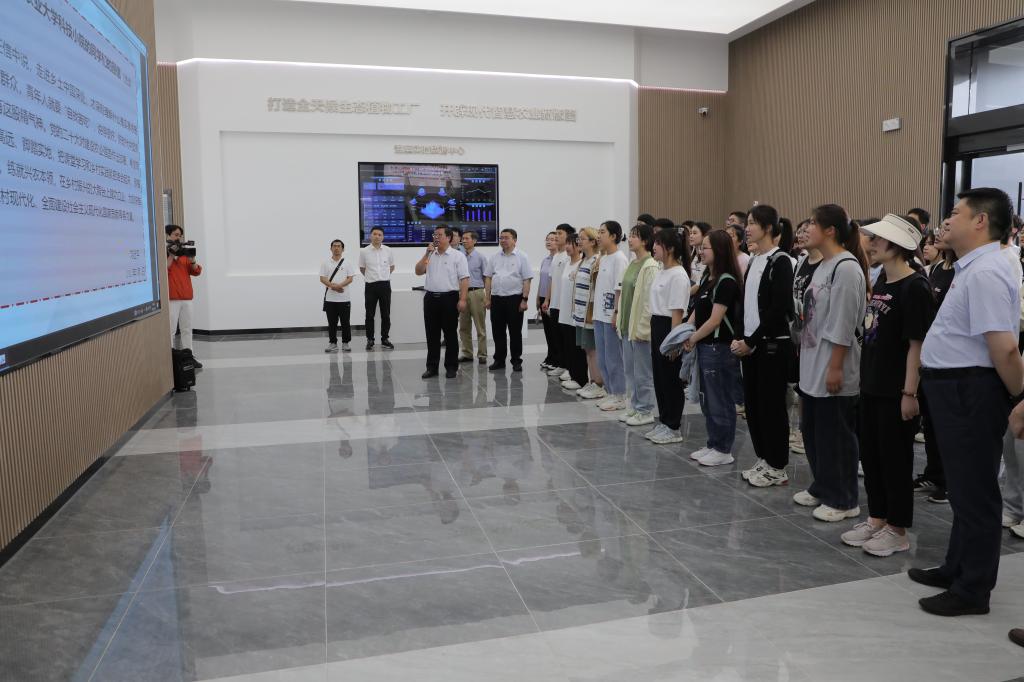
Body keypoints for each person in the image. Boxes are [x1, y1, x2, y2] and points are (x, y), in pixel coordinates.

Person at [910, 188, 1023, 617]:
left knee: (975, 493)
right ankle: (956, 567)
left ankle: (973, 589)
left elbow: (1004, 348)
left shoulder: (987, 271)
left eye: (956, 212)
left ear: (980, 221)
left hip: (970, 390)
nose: (947, 220)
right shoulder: (973, 267)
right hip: (956, 388)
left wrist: (1019, 396)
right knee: (963, 488)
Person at [840, 215, 934, 557]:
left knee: (895, 460)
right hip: (872, 385)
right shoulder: (882, 279)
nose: (872, 243)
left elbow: (916, 346)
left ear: (897, 246)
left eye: (879, 239)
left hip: (896, 390)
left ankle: (897, 529)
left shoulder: (915, 287)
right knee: (873, 457)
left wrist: (910, 393)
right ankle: (877, 519)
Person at [794, 204, 869, 523]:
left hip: (833, 364)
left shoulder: (847, 268)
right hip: (812, 363)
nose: (806, 228)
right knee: (813, 431)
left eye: (812, 223)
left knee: (836, 436)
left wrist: (836, 366)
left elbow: (843, 322)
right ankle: (823, 485)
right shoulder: (822, 264)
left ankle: (843, 499)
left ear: (830, 231)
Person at [732, 205, 795, 487]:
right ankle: (764, 457)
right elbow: (746, 305)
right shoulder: (755, 260)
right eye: (747, 223)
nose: (747, 228)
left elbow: (778, 309)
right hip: (750, 345)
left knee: (772, 407)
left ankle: (778, 465)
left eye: (753, 223)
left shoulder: (781, 261)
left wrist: (751, 341)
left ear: (769, 228)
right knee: (754, 406)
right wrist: (740, 337)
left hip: (770, 346)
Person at [685, 229, 743, 465]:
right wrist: (686, 331)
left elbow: (715, 320)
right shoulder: (708, 277)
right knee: (708, 399)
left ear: (718, 250)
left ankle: (723, 449)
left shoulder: (726, 281)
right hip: (705, 346)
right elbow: (698, 310)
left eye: (705, 247)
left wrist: (693, 338)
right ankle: (713, 442)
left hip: (718, 348)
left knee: (720, 399)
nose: (701, 251)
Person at [913, 227, 957, 504]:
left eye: (946, 229)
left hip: (949, 357)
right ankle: (934, 473)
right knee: (930, 422)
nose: (939, 234)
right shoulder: (937, 268)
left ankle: (950, 481)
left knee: (947, 425)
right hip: (930, 353)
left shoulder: (961, 271)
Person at [646, 229, 690, 444]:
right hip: (657, 324)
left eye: (658, 243)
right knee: (660, 377)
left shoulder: (678, 275)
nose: (653, 247)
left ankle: (673, 426)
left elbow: (677, 312)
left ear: (670, 248)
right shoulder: (662, 271)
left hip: (669, 327)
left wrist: (674, 343)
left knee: (671, 378)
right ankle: (664, 420)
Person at [616, 224, 660, 427]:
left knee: (643, 373)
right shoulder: (632, 264)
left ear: (645, 241)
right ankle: (634, 406)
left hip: (640, 329)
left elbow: (648, 301)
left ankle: (645, 410)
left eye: (635, 236)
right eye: (631, 235)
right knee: (630, 371)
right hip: (627, 325)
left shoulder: (650, 266)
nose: (630, 239)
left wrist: (644, 328)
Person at [415, 226, 469, 379]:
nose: (436, 237)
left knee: (450, 334)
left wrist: (463, 299)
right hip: (430, 298)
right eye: (435, 235)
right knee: (431, 334)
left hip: (449, 298)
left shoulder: (457, 256)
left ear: (449, 237)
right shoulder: (431, 254)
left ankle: (451, 367)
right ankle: (432, 367)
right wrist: (426, 253)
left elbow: (464, 279)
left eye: (439, 235)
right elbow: (418, 271)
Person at [790, 219, 823, 455]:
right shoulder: (801, 261)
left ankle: (812, 432)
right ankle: (803, 430)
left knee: (813, 387)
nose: (801, 234)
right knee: (801, 386)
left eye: (806, 230)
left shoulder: (827, 265)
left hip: (817, 337)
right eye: (799, 231)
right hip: (799, 334)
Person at [592, 221, 629, 411]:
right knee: (603, 358)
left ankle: (620, 395)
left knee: (614, 358)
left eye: (602, 232)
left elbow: (619, 290)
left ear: (613, 236)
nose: (598, 236)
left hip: (610, 316)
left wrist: (616, 313)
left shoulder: (619, 259)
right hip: (599, 315)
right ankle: (610, 391)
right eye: (598, 232)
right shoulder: (604, 258)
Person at [484, 228, 533, 372]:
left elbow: (527, 279)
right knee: (498, 331)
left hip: (514, 299)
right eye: (501, 238)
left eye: (506, 237)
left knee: (515, 332)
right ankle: (499, 360)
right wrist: (487, 298)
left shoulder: (522, 257)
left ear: (514, 240)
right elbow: (488, 277)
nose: (503, 240)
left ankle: (516, 360)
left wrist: (524, 299)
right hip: (497, 299)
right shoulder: (494, 257)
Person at [571, 227, 605, 399]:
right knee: (587, 349)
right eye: (578, 238)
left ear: (592, 242)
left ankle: (598, 384)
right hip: (580, 313)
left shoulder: (597, 261)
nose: (579, 241)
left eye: (582, 239)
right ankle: (592, 381)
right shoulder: (583, 261)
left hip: (589, 313)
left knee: (593, 350)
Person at [166, 224, 203, 368]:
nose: (179, 238)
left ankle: (189, 357)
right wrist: (171, 255)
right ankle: (170, 360)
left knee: (187, 329)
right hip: (171, 299)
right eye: (176, 235)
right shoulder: (163, 253)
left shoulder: (184, 256)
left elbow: (196, 271)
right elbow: (163, 269)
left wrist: (192, 259)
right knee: (170, 331)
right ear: (167, 235)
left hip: (186, 299)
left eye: (180, 235)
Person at [543, 224, 575, 378]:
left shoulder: (570, 256)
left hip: (565, 305)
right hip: (555, 303)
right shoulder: (556, 256)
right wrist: (547, 300)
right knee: (556, 336)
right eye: (555, 233)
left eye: (559, 233)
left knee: (566, 338)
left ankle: (569, 367)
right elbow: (551, 280)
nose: (556, 236)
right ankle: (561, 364)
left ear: (568, 236)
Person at [557, 234, 588, 390]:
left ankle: (580, 378)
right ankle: (572, 373)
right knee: (568, 345)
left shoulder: (581, 265)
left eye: (571, 244)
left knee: (576, 348)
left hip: (575, 314)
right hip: (564, 312)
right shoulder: (567, 264)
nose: (568, 247)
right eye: (567, 243)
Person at [359, 226, 395, 351]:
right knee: (369, 314)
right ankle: (370, 339)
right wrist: (372, 277)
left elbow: (391, 267)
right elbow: (362, 268)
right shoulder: (364, 251)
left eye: (379, 235)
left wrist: (383, 276)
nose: (377, 236)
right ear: (370, 236)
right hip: (371, 286)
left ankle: (385, 339)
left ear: (383, 237)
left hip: (385, 285)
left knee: (386, 314)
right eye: (374, 234)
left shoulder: (388, 250)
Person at [319, 238, 356, 352]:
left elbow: (350, 278)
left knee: (345, 322)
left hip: (344, 299)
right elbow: (322, 278)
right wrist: (333, 287)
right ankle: (333, 343)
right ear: (331, 248)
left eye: (339, 246)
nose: (336, 248)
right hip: (330, 299)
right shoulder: (325, 263)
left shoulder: (347, 263)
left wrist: (339, 285)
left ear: (343, 249)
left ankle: (345, 343)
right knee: (332, 323)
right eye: (334, 246)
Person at [458, 230, 488, 364]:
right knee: (463, 326)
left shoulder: (481, 257)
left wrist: (487, 296)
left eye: (467, 238)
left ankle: (482, 354)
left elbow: (486, 277)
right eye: (463, 239)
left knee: (480, 326)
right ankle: (467, 353)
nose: (463, 241)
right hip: (462, 294)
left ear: (474, 241)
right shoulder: (459, 257)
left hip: (477, 292)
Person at [537, 231, 560, 371]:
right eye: (547, 239)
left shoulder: (559, 260)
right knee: (547, 330)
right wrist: (537, 298)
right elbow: (542, 280)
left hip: (552, 298)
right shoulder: (545, 260)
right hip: (542, 297)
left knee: (554, 331)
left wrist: (547, 299)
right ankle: (550, 356)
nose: (549, 242)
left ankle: (557, 358)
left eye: (552, 239)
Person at [687, 221, 711, 290]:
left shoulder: (708, 257)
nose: (691, 236)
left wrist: (684, 294)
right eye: (690, 233)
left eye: (694, 233)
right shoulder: (692, 255)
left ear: (704, 235)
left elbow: (699, 284)